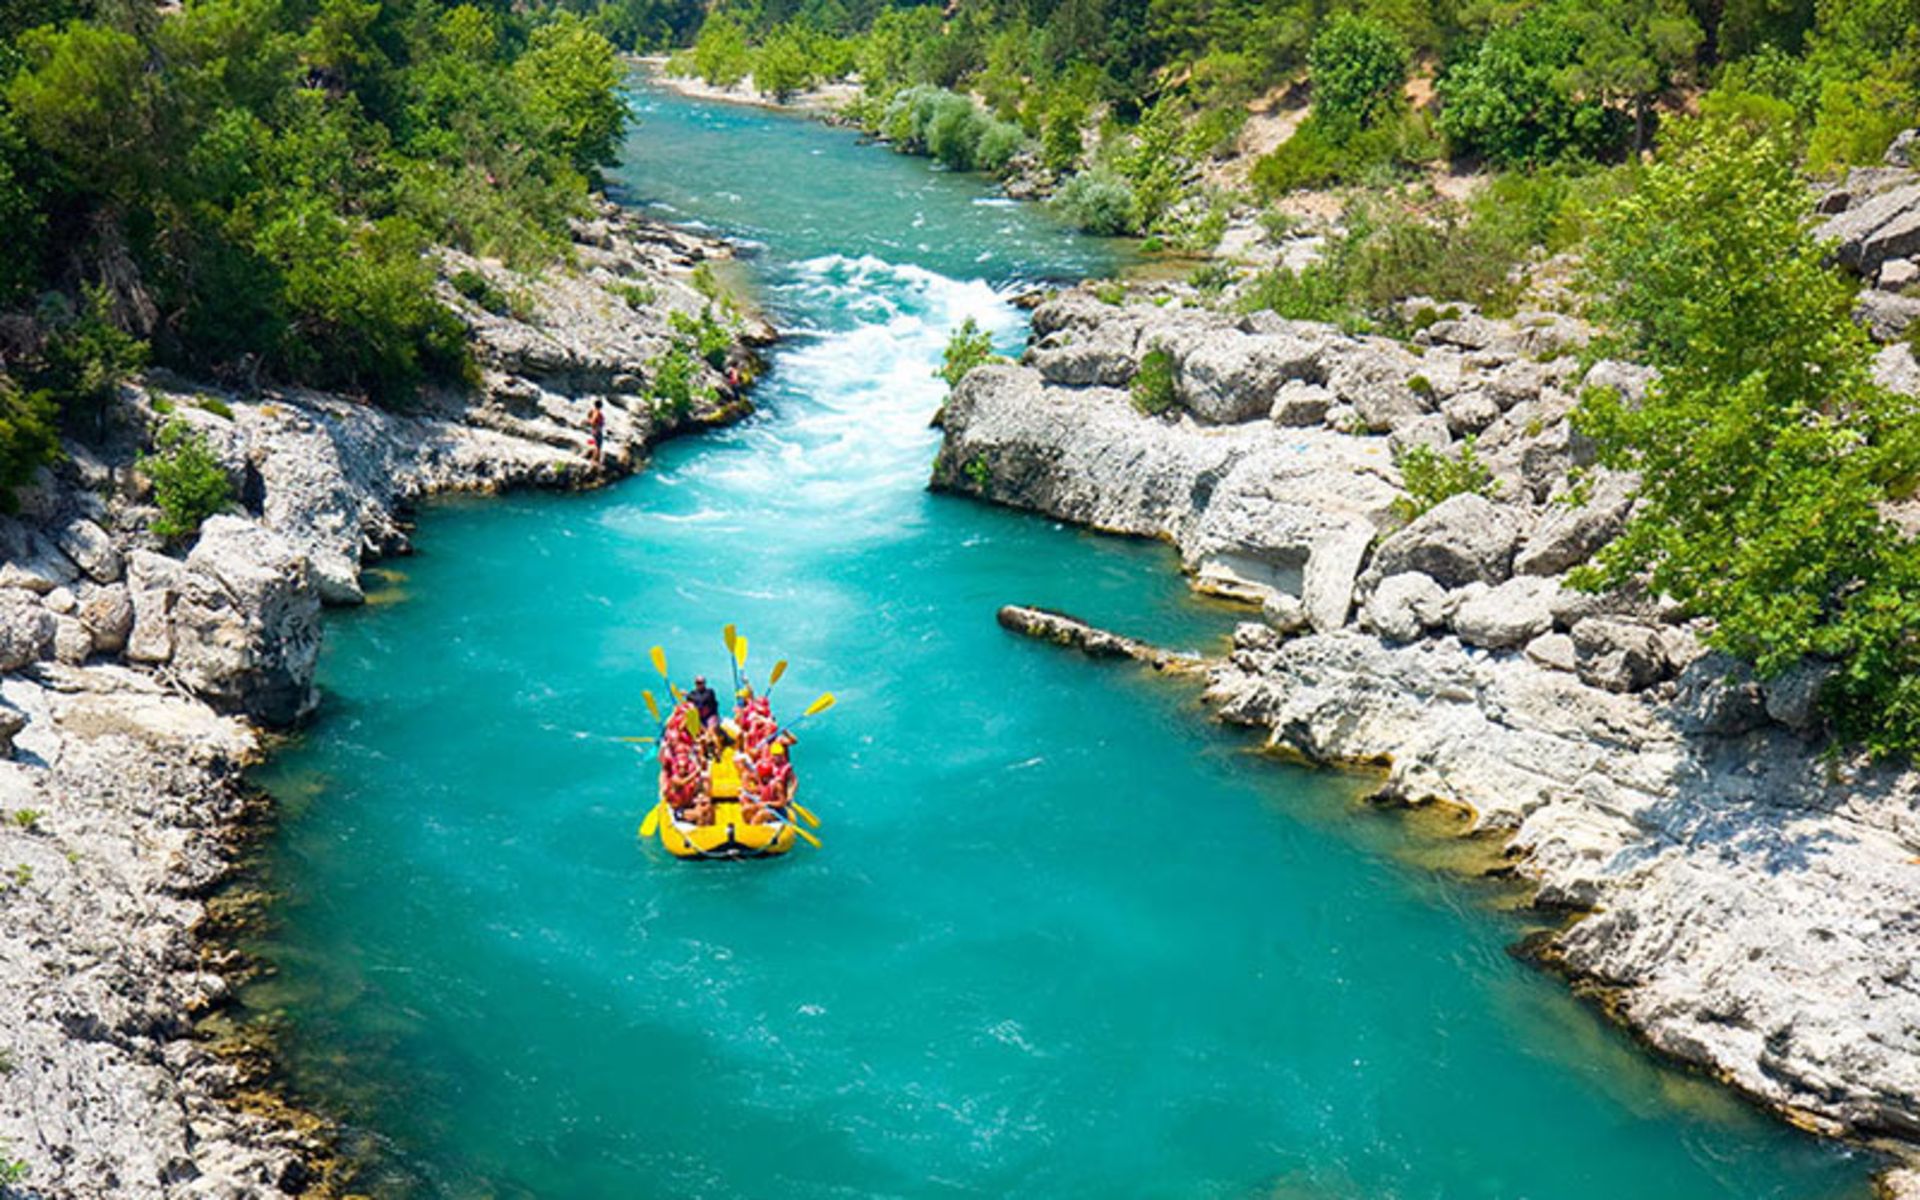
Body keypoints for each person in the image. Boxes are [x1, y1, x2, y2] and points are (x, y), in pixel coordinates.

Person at [587, 399, 605, 469]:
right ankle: (594, 461)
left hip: (595, 430)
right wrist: (596, 428)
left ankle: (595, 460)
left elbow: (589, 417)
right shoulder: (597, 413)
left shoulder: (593, 411)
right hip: (597, 431)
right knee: (598, 447)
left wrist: (593, 426)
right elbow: (593, 421)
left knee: (597, 445)